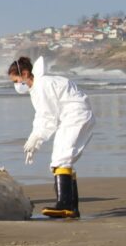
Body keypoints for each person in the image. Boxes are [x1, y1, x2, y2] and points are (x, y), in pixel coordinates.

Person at [8, 56, 95, 219]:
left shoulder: (42, 85)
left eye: (16, 80)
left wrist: (36, 138)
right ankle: (72, 208)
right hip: (77, 116)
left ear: (25, 74)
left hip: (75, 117)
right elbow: (44, 115)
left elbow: (47, 117)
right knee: (63, 159)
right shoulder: (41, 84)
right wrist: (35, 137)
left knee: (60, 158)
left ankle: (64, 205)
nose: (16, 85)